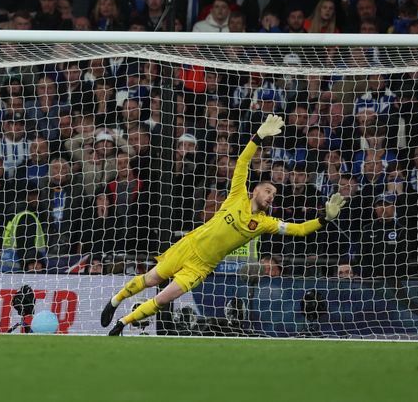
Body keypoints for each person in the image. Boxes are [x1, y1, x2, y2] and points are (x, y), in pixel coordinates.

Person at [101, 115, 346, 335]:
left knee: (164, 298)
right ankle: (114, 301)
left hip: (201, 267)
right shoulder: (237, 195)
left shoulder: (265, 223)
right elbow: (243, 162)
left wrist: (324, 219)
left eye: (274, 194)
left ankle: (122, 323)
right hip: (189, 246)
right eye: (268, 191)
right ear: (255, 191)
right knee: (151, 279)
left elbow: (299, 230)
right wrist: (258, 137)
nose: (271, 196)